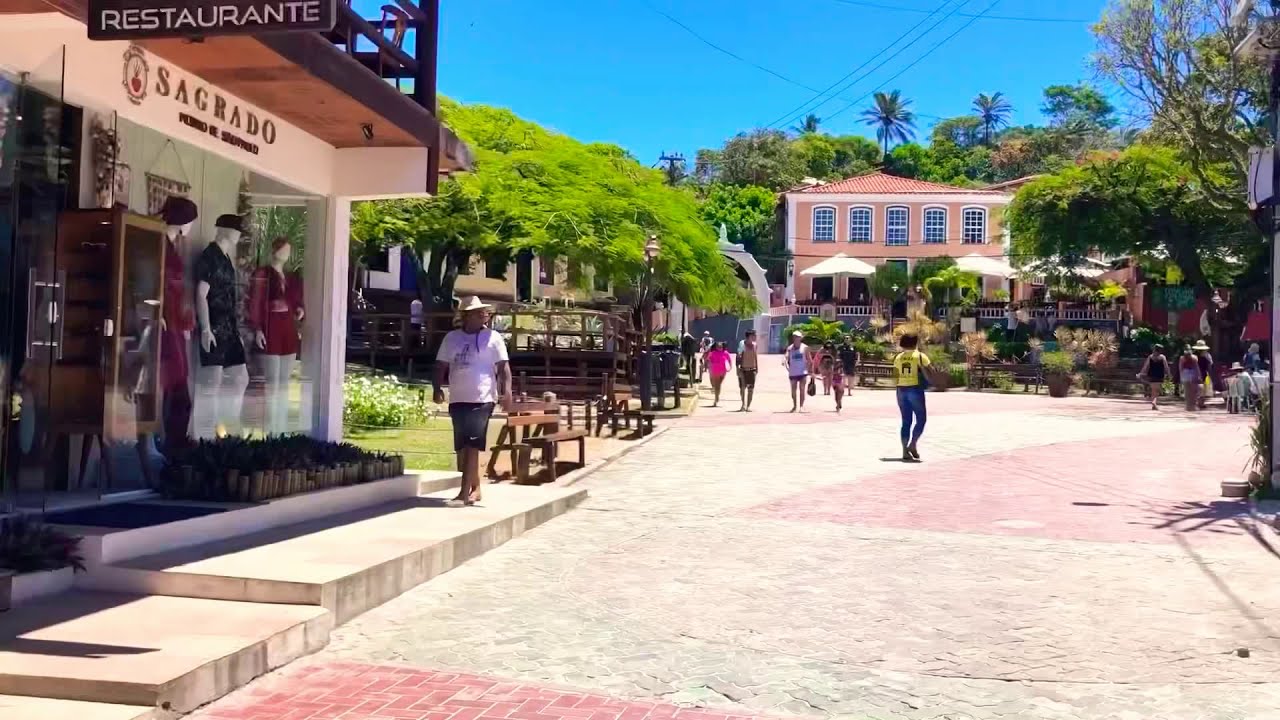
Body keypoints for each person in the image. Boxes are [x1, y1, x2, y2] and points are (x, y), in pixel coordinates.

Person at [433, 297, 513, 507]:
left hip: (483, 398)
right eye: (478, 313)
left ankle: (463, 493)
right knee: (464, 446)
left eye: (485, 313)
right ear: (466, 316)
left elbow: (504, 367)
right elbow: (440, 365)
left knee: (472, 444)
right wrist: (436, 388)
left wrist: (507, 393)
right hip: (458, 398)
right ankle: (476, 488)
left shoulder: (493, 337)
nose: (483, 316)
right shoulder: (452, 338)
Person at [892, 333, 932, 461]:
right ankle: (913, 444)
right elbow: (930, 370)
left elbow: (895, 377)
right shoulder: (920, 356)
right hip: (915, 389)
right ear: (915, 343)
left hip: (901, 390)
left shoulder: (898, 358)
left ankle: (904, 450)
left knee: (906, 421)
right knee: (921, 419)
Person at [783, 331, 812, 413]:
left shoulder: (805, 348)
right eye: (795, 337)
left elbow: (810, 360)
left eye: (798, 337)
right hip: (793, 372)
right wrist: (784, 360)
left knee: (802, 389)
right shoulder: (790, 348)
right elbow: (786, 356)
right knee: (793, 390)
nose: (796, 338)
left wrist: (809, 370)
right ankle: (795, 406)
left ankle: (801, 406)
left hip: (803, 372)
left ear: (801, 338)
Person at [1137, 344, 1171, 410]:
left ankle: (1154, 404)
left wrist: (1140, 373)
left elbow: (1145, 366)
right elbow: (1166, 367)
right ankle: (1154, 402)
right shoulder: (1162, 357)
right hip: (1159, 375)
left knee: (1153, 390)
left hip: (1151, 375)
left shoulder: (1150, 357)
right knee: (1156, 391)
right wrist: (1169, 374)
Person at [736, 329, 759, 411]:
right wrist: (737, 369)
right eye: (754, 335)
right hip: (743, 369)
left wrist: (757, 368)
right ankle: (743, 404)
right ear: (750, 336)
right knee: (742, 387)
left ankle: (748, 406)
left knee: (750, 389)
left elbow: (755, 357)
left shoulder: (755, 345)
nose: (756, 337)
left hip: (752, 369)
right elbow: (738, 356)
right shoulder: (742, 344)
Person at [706, 342, 732, 407]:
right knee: (716, 385)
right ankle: (716, 398)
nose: (720, 348)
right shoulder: (713, 353)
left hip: (723, 371)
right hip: (715, 370)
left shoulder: (726, 353)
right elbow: (708, 360)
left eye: (721, 346)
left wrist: (730, 367)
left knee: (719, 384)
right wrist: (709, 365)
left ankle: (717, 396)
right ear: (716, 347)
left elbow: (729, 360)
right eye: (718, 346)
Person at [836, 336, 859, 412]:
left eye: (848, 338)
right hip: (843, 365)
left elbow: (856, 355)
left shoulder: (853, 347)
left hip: (851, 365)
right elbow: (838, 356)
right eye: (846, 338)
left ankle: (849, 391)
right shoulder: (841, 347)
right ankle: (842, 392)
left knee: (850, 379)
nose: (847, 340)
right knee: (843, 379)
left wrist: (857, 362)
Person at [1179, 346, 1201, 412]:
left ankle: (1188, 406)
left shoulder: (1182, 358)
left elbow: (1180, 368)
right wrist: (1199, 375)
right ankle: (1193, 406)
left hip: (1185, 374)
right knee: (1194, 391)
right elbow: (1196, 367)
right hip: (1193, 374)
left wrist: (1181, 376)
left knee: (1187, 392)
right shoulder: (1194, 357)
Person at [1194, 340, 1214, 409]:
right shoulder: (1206, 356)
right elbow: (1210, 366)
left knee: (1202, 389)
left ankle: (1200, 403)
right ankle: (1200, 403)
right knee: (1203, 389)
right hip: (1203, 374)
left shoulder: (1194, 356)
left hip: (1198, 375)